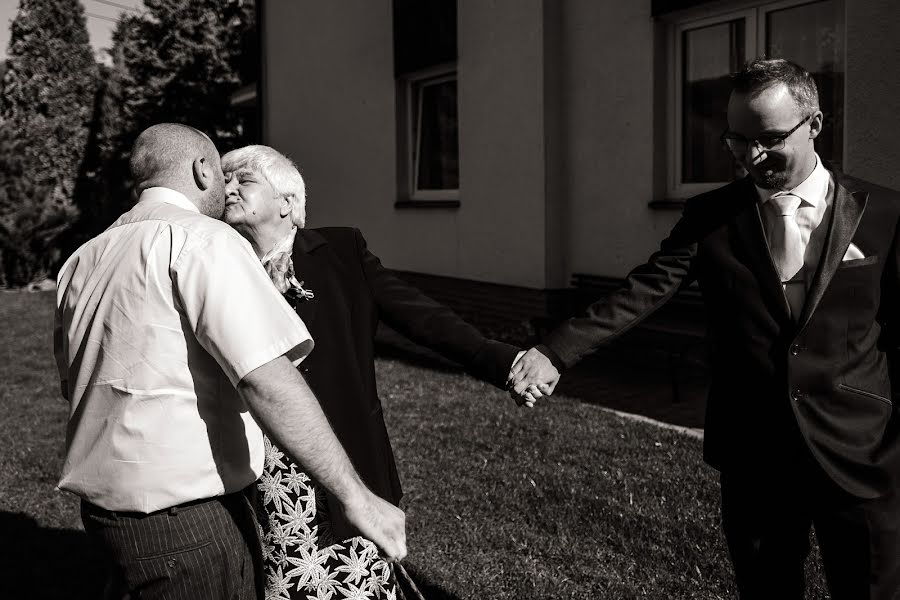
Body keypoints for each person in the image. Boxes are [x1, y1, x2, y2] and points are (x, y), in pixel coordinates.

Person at [509, 58, 900, 598]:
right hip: (754, 451)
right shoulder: (711, 215)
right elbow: (642, 291)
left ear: (814, 124)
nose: (752, 157)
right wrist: (556, 351)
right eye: (737, 140)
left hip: (860, 448)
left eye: (768, 138)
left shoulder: (885, 213)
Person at [53, 124, 406, 600]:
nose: (229, 187)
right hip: (187, 524)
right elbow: (266, 378)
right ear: (203, 170)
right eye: (223, 173)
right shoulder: (204, 241)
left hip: (106, 518)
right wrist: (358, 498)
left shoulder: (82, 259)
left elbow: (71, 378)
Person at [220, 144, 531, 598]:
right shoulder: (219, 265)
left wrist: (503, 362)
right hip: (254, 465)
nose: (228, 188)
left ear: (288, 203)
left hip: (337, 454)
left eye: (243, 180)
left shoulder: (341, 253)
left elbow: (422, 317)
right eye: (225, 179)